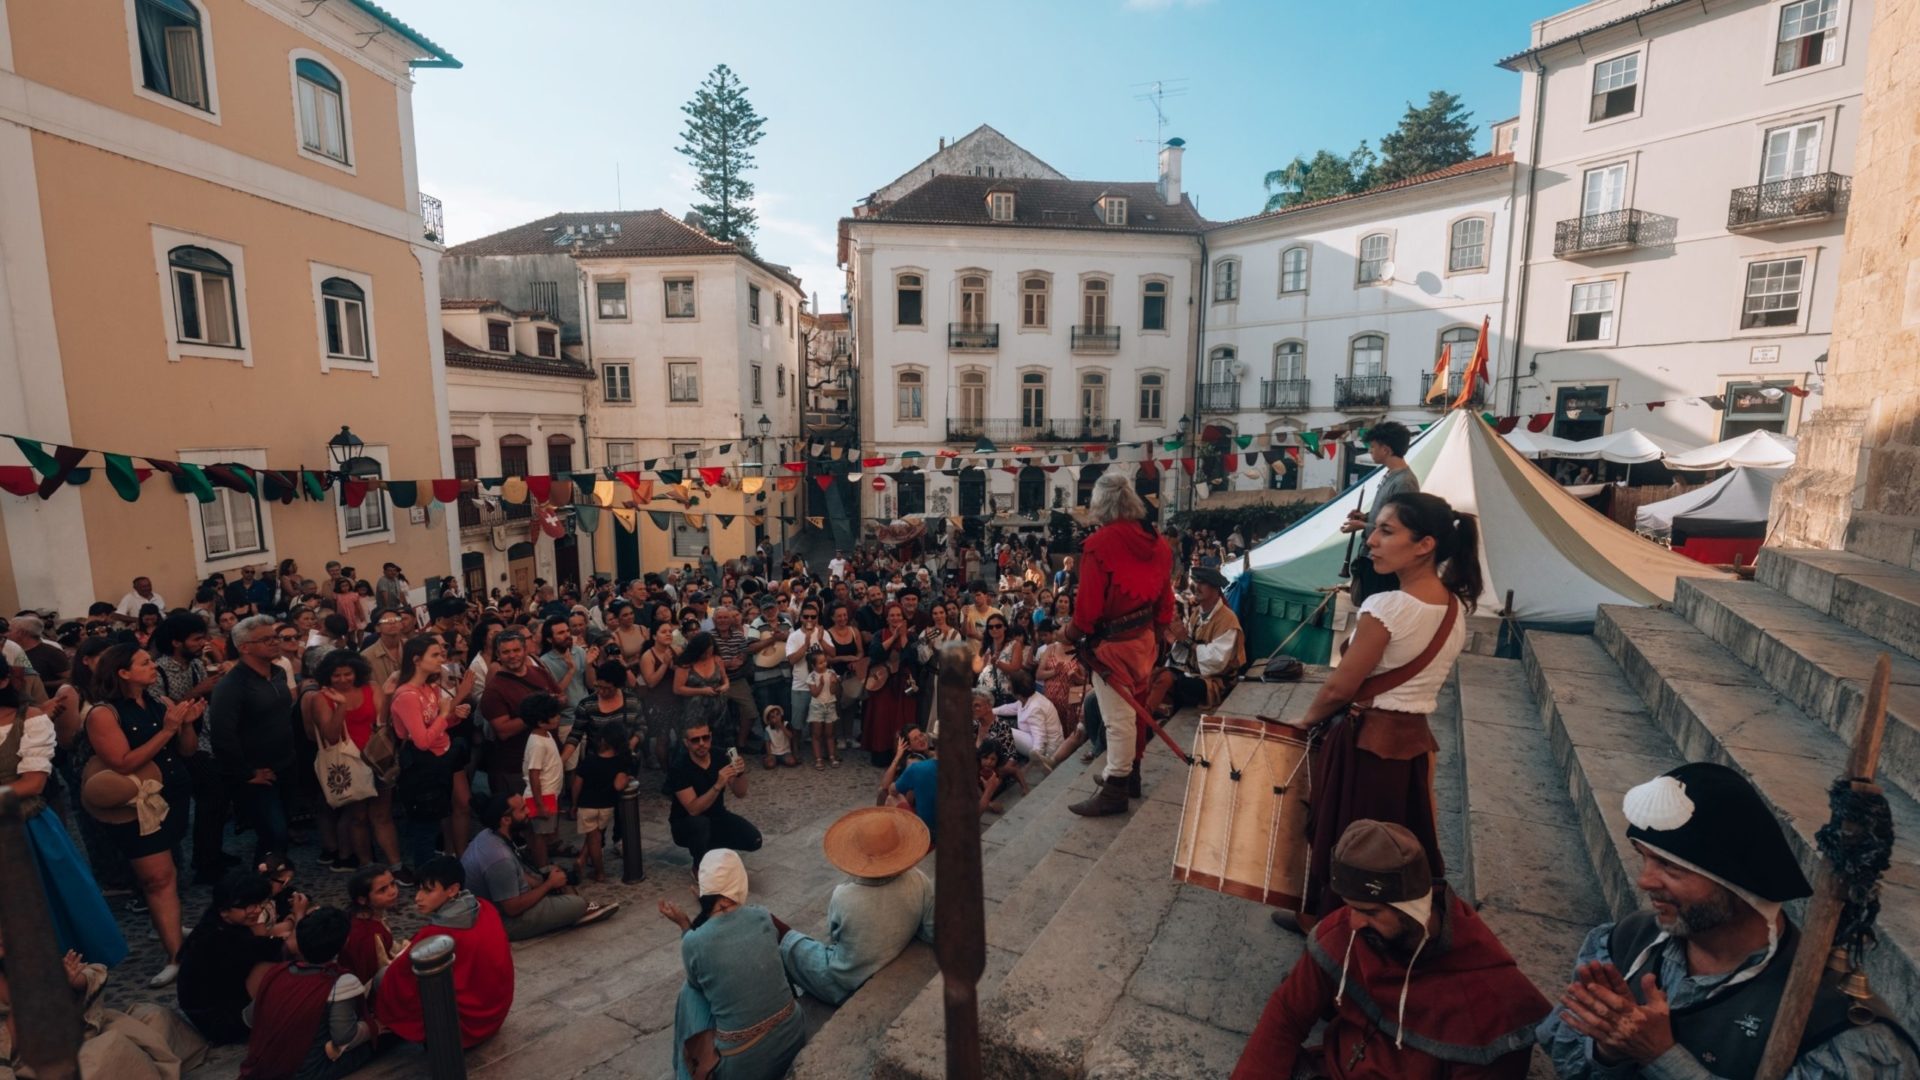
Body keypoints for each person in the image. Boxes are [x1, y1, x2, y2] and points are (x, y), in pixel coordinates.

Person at [1538, 763, 1917, 1078]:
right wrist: (1608, 1051)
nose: (1645, 880)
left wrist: (1662, 1057)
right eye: (1644, 857)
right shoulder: (1627, 941)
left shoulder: (1835, 1028)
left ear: (1737, 884)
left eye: (1669, 866)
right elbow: (1569, 1063)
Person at [1273, 491, 1476, 930]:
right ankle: (1377, 927)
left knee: (1349, 838)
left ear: (1425, 545)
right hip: (1412, 744)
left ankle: (1333, 928)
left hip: (1366, 745)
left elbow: (1339, 687)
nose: (1371, 541)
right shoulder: (1453, 606)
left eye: (1387, 531)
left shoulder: (1387, 606)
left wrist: (1305, 720)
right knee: (1395, 841)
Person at [1234, 819, 1549, 1079]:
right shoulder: (1347, 931)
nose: (1353, 922)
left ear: (1412, 909)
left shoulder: (1495, 1005)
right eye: (1350, 907)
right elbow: (1287, 1013)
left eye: (1370, 912)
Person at [82, 642, 203, 987]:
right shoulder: (104, 714)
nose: (154, 666)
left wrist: (186, 725)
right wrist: (167, 730)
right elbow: (122, 763)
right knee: (158, 878)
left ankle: (168, 924)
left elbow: (187, 751)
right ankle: (175, 956)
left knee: (168, 871)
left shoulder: (159, 702)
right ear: (123, 673)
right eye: (145, 662)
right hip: (137, 806)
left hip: (173, 795)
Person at [0, 663, 128, 967]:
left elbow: (33, 783)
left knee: (45, 910)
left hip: (23, 829)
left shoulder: (29, 719)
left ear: (3, 681)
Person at [1065, 472, 1176, 818]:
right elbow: (1166, 599)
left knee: (1118, 718)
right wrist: (1155, 634)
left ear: (1100, 504)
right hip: (1145, 640)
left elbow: (1087, 612)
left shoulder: (1099, 545)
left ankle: (1115, 787)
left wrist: (1068, 635)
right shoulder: (1158, 542)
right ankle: (1131, 776)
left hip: (1112, 647)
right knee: (1137, 711)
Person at [660, 850, 808, 1080]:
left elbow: (697, 982)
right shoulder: (762, 916)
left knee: (689, 992)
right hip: (793, 1035)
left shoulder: (694, 942)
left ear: (703, 890)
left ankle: (683, 1072)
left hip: (743, 1065)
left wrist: (685, 926)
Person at [781, 808, 935, 1005]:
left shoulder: (844, 896)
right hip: (886, 954)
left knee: (788, 942)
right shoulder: (919, 879)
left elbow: (835, 936)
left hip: (844, 980)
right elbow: (930, 928)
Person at [373, 855, 513, 1049]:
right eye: (419, 889)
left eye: (428, 890)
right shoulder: (484, 907)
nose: (418, 897)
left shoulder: (436, 934)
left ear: (452, 890)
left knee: (383, 977)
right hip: (496, 1010)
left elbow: (397, 977)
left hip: (465, 1027)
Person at [238, 906, 377, 1079]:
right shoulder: (340, 982)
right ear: (345, 943)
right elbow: (344, 1037)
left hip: (266, 1064)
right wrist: (375, 1026)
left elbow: (250, 1018)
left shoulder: (277, 973)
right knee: (384, 1037)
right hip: (309, 1071)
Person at [460, 792, 616, 941]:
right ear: (506, 820)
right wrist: (548, 885)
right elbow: (512, 909)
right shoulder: (499, 858)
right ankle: (579, 909)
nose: (528, 811)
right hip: (504, 920)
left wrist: (542, 882)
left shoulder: (490, 834)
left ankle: (572, 906)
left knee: (554, 872)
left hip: (506, 898)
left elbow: (519, 872)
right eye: (522, 809)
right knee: (577, 904)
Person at [208, 615, 296, 863]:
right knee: (273, 834)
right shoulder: (232, 686)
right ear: (244, 647)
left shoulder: (278, 673)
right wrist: (246, 773)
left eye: (275, 637)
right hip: (258, 771)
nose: (275, 642)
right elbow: (222, 735)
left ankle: (276, 876)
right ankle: (266, 881)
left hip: (285, 763)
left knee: (282, 830)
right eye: (266, 639)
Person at [176, 869, 294, 1043]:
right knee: (277, 963)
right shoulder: (223, 938)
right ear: (225, 910)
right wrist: (296, 917)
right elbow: (278, 948)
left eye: (258, 903)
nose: (256, 910)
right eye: (247, 906)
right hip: (220, 1022)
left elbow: (263, 941)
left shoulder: (215, 923)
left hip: (214, 1006)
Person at [477, 628, 561, 802]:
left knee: (549, 815)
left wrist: (556, 702)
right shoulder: (494, 690)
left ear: (525, 650)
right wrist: (539, 712)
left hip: (549, 763)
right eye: (506, 652)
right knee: (527, 815)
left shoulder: (540, 673)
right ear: (498, 655)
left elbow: (561, 697)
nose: (512, 656)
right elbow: (503, 731)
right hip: (518, 770)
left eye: (516, 650)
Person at [1341, 421, 1419, 607]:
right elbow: (1388, 514)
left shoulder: (1404, 482)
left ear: (1386, 450)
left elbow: (1400, 527)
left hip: (1386, 560)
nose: (1370, 450)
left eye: (1373, 446)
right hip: (1373, 556)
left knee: (1376, 609)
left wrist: (1362, 526)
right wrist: (1365, 516)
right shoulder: (1391, 475)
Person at [665, 719, 762, 867]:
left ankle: (712, 848)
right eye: (695, 740)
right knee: (700, 824)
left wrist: (740, 773)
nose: (701, 743)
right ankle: (699, 865)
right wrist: (718, 785)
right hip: (686, 823)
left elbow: (740, 793)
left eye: (705, 738)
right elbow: (693, 809)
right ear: (686, 743)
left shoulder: (720, 755)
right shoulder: (679, 767)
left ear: (710, 737)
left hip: (717, 815)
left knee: (754, 840)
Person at [1163, 566, 1246, 710]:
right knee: (1161, 675)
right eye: (1195, 582)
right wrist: (1176, 636)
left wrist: (1185, 640)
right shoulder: (1196, 614)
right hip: (1195, 674)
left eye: (1202, 583)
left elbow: (1216, 661)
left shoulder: (1227, 620)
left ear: (1215, 588)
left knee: (1178, 685)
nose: (1196, 587)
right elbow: (1184, 654)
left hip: (1217, 681)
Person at [572, 722, 633, 883]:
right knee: (596, 836)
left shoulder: (589, 760)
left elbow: (577, 784)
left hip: (587, 806)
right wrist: (627, 778)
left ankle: (599, 872)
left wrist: (574, 804)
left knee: (594, 839)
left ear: (602, 740)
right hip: (606, 807)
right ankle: (582, 859)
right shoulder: (620, 762)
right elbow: (618, 785)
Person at [520, 692, 566, 868]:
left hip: (548, 794)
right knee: (540, 836)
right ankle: (543, 867)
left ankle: (542, 862)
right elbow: (534, 774)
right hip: (542, 796)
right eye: (554, 715)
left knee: (542, 834)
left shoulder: (545, 735)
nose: (558, 717)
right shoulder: (538, 743)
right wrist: (540, 805)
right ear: (540, 721)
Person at [674, 631, 734, 754]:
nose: (707, 654)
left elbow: (725, 678)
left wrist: (725, 686)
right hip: (695, 710)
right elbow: (677, 688)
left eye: (710, 651)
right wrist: (702, 691)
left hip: (718, 707)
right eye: (705, 652)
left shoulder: (717, 659)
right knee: (697, 739)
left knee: (720, 738)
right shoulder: (686, 664)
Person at [991, 669, 1063, 765]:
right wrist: (990, 711)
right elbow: (1010, 708)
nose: (1008, 687)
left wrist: (1034, 763)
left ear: (1017, 692)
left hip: (1048, 751)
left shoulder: (1035, 708)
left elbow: (1040, 740)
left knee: (1003, 729)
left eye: (1010, 686)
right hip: (1040, 742)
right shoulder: (1029, 697)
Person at [340, 864, 397, 985]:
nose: (393, 891)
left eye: (393, 884)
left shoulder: (369, 917)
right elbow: (370, 976)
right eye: (382, 890)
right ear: (362, 900)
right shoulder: (367, 935)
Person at [806, 649, 841, 769]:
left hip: (830, 705)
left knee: (830, 734)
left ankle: (832, 756)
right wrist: (821, 684)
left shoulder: (831, 673)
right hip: (817, 707)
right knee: (816, 734)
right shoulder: (811, 676)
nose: (824, 664)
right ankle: (818, 759)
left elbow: (833, 691)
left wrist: (834, 683)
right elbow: (814, 694)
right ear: (813, 665)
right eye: (820, 663)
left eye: (825, 661)